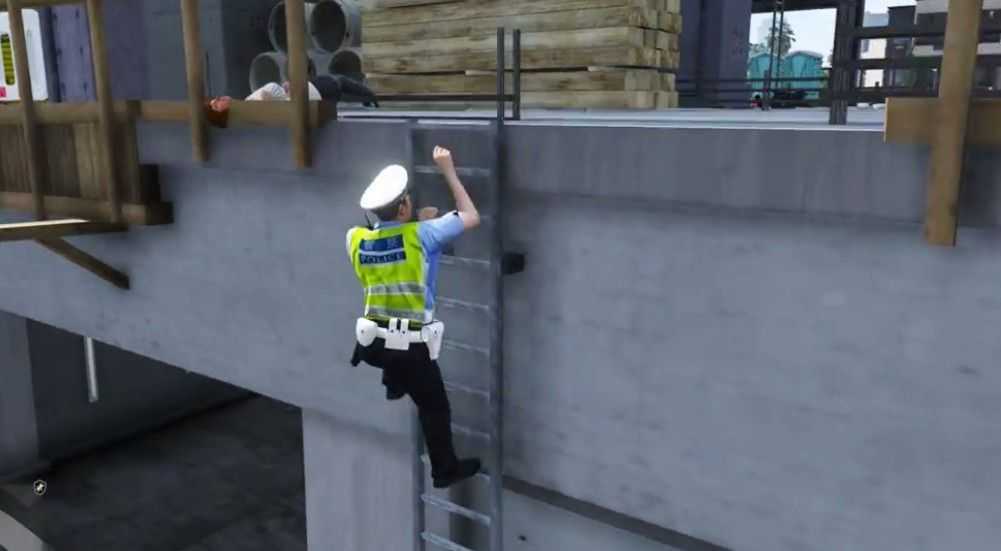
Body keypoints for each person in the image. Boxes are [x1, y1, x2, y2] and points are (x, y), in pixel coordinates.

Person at [346, 146, 482, 489]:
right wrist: (447, 169)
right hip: (409, 349)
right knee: (435, 407)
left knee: (398, 362)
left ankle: (394, 383)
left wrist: (417, 222)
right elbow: (471, 216)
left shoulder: (355, 239)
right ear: (405, 207)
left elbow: (388, 244)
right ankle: (444, 470)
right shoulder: (424, 234)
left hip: (372, 346)